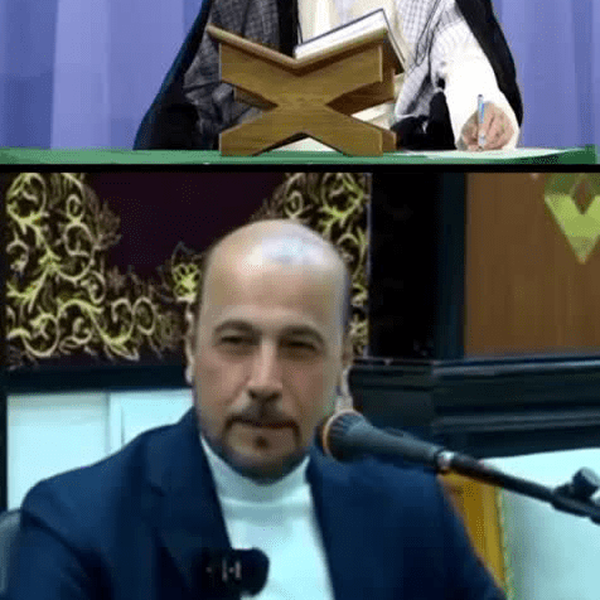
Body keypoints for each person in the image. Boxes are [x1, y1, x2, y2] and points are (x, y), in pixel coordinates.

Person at [8, 220, 506, 599]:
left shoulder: (410, 508)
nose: (264, 382)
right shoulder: (78, 523)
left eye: (299, 347)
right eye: (236, 342)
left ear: (343, 361)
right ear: (191, 349)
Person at [134, 0, 523, 151]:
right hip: (275, 171)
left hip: (391, 175)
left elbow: (462, 53)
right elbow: (198, 96)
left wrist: (481, 112)